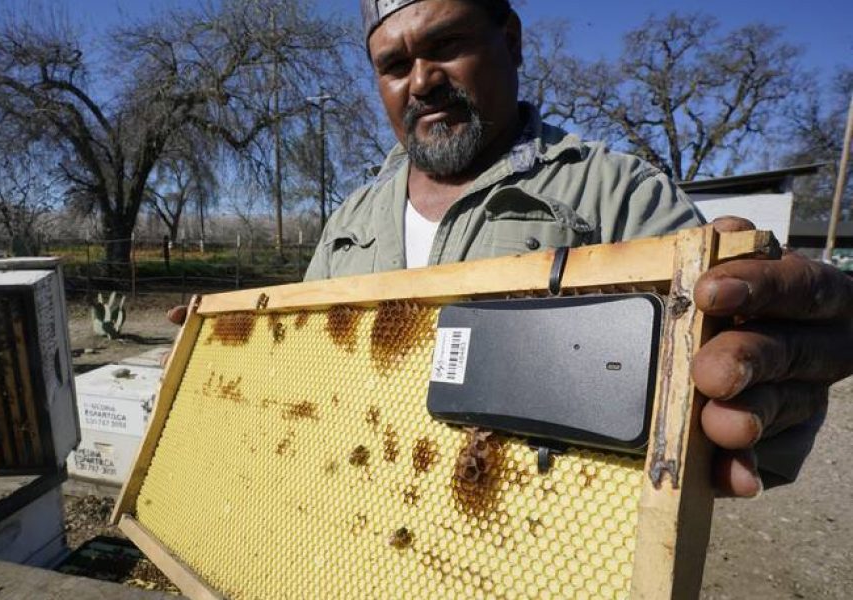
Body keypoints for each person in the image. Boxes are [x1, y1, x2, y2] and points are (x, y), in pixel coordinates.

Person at [171, 0, 853, 498]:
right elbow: (298, 382)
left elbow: (732, 385)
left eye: (446, 45)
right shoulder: (350, 219)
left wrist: (773, 377)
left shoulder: (620, 196)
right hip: (356, 538)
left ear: (512, 38)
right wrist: (217, 368)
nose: (422, 81)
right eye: (394, 65)